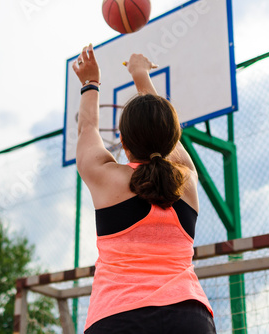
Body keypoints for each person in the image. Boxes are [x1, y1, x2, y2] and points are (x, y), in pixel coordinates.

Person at [72, 44, 216, 334]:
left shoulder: (106, 178)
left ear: (122, 141)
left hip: (118, 317)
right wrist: (140, 75)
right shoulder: (186, 181)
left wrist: (91, 83)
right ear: (173, 137)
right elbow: (164, 131)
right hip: (189, 318)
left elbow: (87, 129)